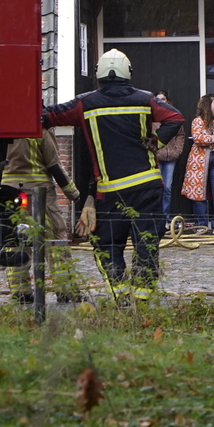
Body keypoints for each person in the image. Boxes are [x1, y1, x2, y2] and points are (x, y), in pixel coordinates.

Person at [43, 49, 184, 297]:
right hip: (147, 188)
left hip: (111, 193)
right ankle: (143, 300)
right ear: (128, 73)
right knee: (147, 244)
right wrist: (156, 141)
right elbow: (175, 117)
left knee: (107, 245)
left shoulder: (84, 103)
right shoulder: (145, 99)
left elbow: (48, 116)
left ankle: (119, 295)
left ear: (98, 74)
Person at [0, 129, 86, 303]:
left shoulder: (1, 127)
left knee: (16, 241)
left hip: (8, 191)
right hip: (40, 192)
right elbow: (54, 164)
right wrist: (73, 193)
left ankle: (20, 292)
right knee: (55, 239)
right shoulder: (39, 129)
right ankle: (66, 289)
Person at [182, 93, 214, 235]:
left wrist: (210, 141)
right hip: (199, 161)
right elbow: (198, 139)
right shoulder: (197, 121)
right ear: (207, 105)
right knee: (199, 192)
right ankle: (202, 225)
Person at [154, 90, 186, 217]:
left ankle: (165, 218)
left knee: (167, 188)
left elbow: (181, 135)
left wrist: (176, 151)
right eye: (158, 99)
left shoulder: (173, 116)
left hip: (171, 158)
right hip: (157, 157)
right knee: (156, 188)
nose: (161, 101)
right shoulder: (151, 118)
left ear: (168, 101)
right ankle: (156, 218)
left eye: (163, 99)